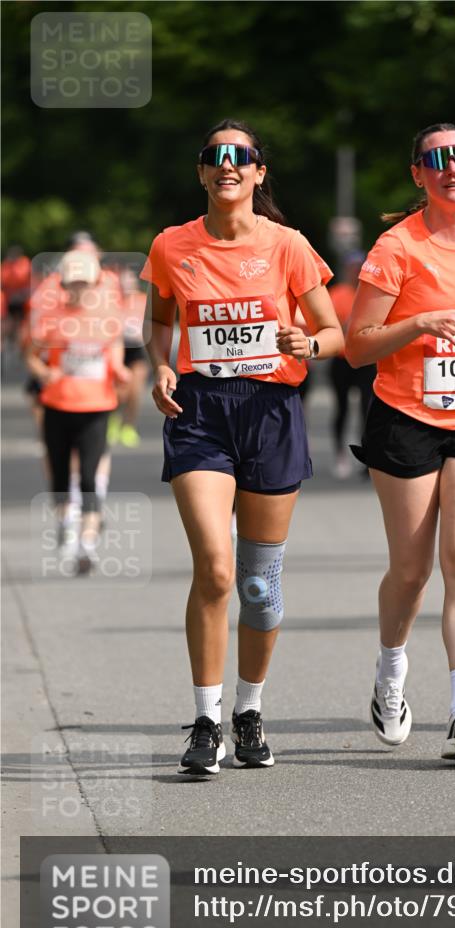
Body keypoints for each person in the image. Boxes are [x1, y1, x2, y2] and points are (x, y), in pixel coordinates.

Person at [141, 118, 343, 776]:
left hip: (270, 411)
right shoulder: (173, 246)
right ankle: (205, 721)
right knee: (217, 569)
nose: (226, 165)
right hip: (201, 410)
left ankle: (249, 712)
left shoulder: (287, 246)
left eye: (241, 157)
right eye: (214, 156)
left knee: (258, 583)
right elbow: (160, 320)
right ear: (201, 171)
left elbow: (333, 332)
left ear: (258, 172)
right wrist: (160, 364)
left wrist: (306, 346)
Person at [346, 122, 455, 761]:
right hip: (406, 417)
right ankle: (391, 672)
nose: (454, 166)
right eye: (437, 159)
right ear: (418, 174)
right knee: (412, 568)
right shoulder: (398, 248)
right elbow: (357, 344)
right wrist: (419, 322)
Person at [24, 249, 130, 573]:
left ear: (95, 283)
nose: (79, 289)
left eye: (85, 283)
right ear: (64, 283)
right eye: (73, 283)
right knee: (59, 477)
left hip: (96, 407)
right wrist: (44, 374)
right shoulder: (51, 318)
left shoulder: (107, 317)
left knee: (88, 476)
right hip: (57, 405)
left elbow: (114, 352)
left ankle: (87, 542)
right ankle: (67, 529)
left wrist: (120, 371)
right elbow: (32, 354)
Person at [327, 251, 375, 478]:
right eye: (353, 267)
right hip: (341, 360)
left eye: (360, 266)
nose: (356, 271)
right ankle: (340, 454)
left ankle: (367, 458)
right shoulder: (337, 294)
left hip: (367, 360)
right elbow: (327, 325)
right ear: (347, 269)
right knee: (342, 408)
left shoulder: (372, 293)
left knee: (368, 410)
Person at [107, 268, 150, 448]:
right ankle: (113, 421)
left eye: (130, 281)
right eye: (123, 282)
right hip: (117, 348)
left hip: (137, 349)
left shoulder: (143, 300)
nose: (126, 285)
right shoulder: (112, 300)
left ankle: (128, 426)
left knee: (136, 388)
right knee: (119, 391)